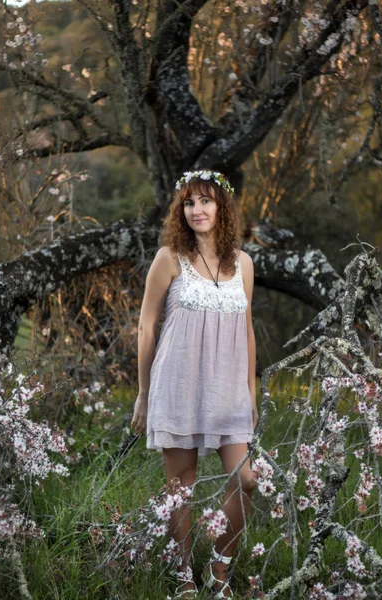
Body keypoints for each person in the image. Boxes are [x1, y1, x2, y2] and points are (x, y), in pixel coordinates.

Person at [131, 170, 258, 599]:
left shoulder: (243, 263)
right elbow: (147, 328)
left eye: (205, 202)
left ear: (221, 207)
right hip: (177, 384)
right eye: (189, 203)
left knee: (247, 482)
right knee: (179, 490)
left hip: (229, 391)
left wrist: (251, 393)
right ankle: (184, 576)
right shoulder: (170, 258)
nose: (197, 210)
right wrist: (143, 394)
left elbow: (247, 329)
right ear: (180, 210)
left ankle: (220, 570)